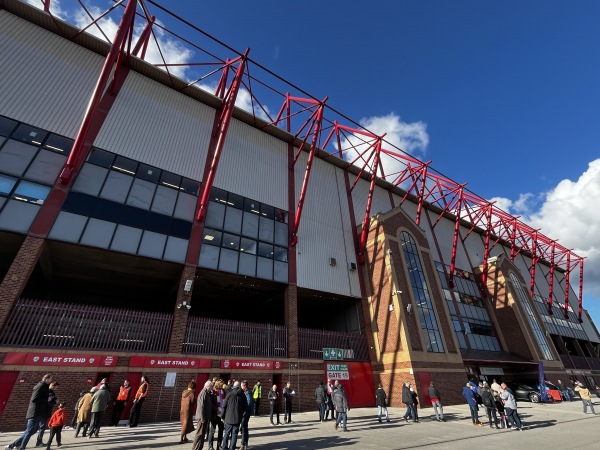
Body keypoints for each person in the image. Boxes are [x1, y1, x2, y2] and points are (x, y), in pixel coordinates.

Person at [6, 374, 53, 450]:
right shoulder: (40, 386)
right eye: (50, 379)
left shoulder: (44, 386)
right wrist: (46, 400)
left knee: (31, 431)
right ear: (46, 379)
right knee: (29, 431)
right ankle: (21, 447)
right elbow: (34, 399)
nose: (51, 381)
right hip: (34, 412)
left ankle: (13, 445)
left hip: (39, 412)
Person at [221, 381, 247, 450]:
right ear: (239, 387)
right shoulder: (242, 395)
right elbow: (245, 406)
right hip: (237, 418)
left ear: (233, 386)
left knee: (226, 433)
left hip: (228, 418)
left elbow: (224, 406)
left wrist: (222, 416)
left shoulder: (229, 394)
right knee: (234, 434)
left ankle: (224, 447)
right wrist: (241, 413)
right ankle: (232, 448)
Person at [35, 381, 58, 447]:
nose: (56, 388)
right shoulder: (48, 391)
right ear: (53, 385)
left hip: (46, 411)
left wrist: (55, 400)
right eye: (56, 387)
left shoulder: (51, 392)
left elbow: (52, 399)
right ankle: (39, 442)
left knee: (40, 427)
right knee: (40, 427)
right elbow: (48, 402)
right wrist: (55, 402)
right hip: (44, 411)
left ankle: (39, 441)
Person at [192, 380, 214, 450]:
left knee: (202, 434)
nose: (211, 388)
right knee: (199, 434)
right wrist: (202, 418)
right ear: (208, 386)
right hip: (202, 418)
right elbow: (201, 406)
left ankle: (199, 447)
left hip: (205, 417)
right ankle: (195, 448)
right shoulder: (203, 393)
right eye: (211, 387)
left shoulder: (207, 393)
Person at [207, 379, 224, 450]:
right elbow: (211, 403)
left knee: (221, 430)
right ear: (218, 384)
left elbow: (224, 400)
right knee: (212, 430)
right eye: (221, 384)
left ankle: (219, 445)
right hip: (215, 414)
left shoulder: (223, 391)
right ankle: (210, 446)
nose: (223, 385)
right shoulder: (213, 392)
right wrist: (216, 409)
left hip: (222, 414)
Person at [240, 381, 254, 450]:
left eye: (242, 386)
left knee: (243, 428)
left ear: (245, 387)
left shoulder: (247, 394)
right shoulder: (246, 393)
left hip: (245, 414)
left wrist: (244, 412)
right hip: (246, 413)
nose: (241, 387)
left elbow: (249, 403)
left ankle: (243, 444)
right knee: (244, 428)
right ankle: (245, 443)